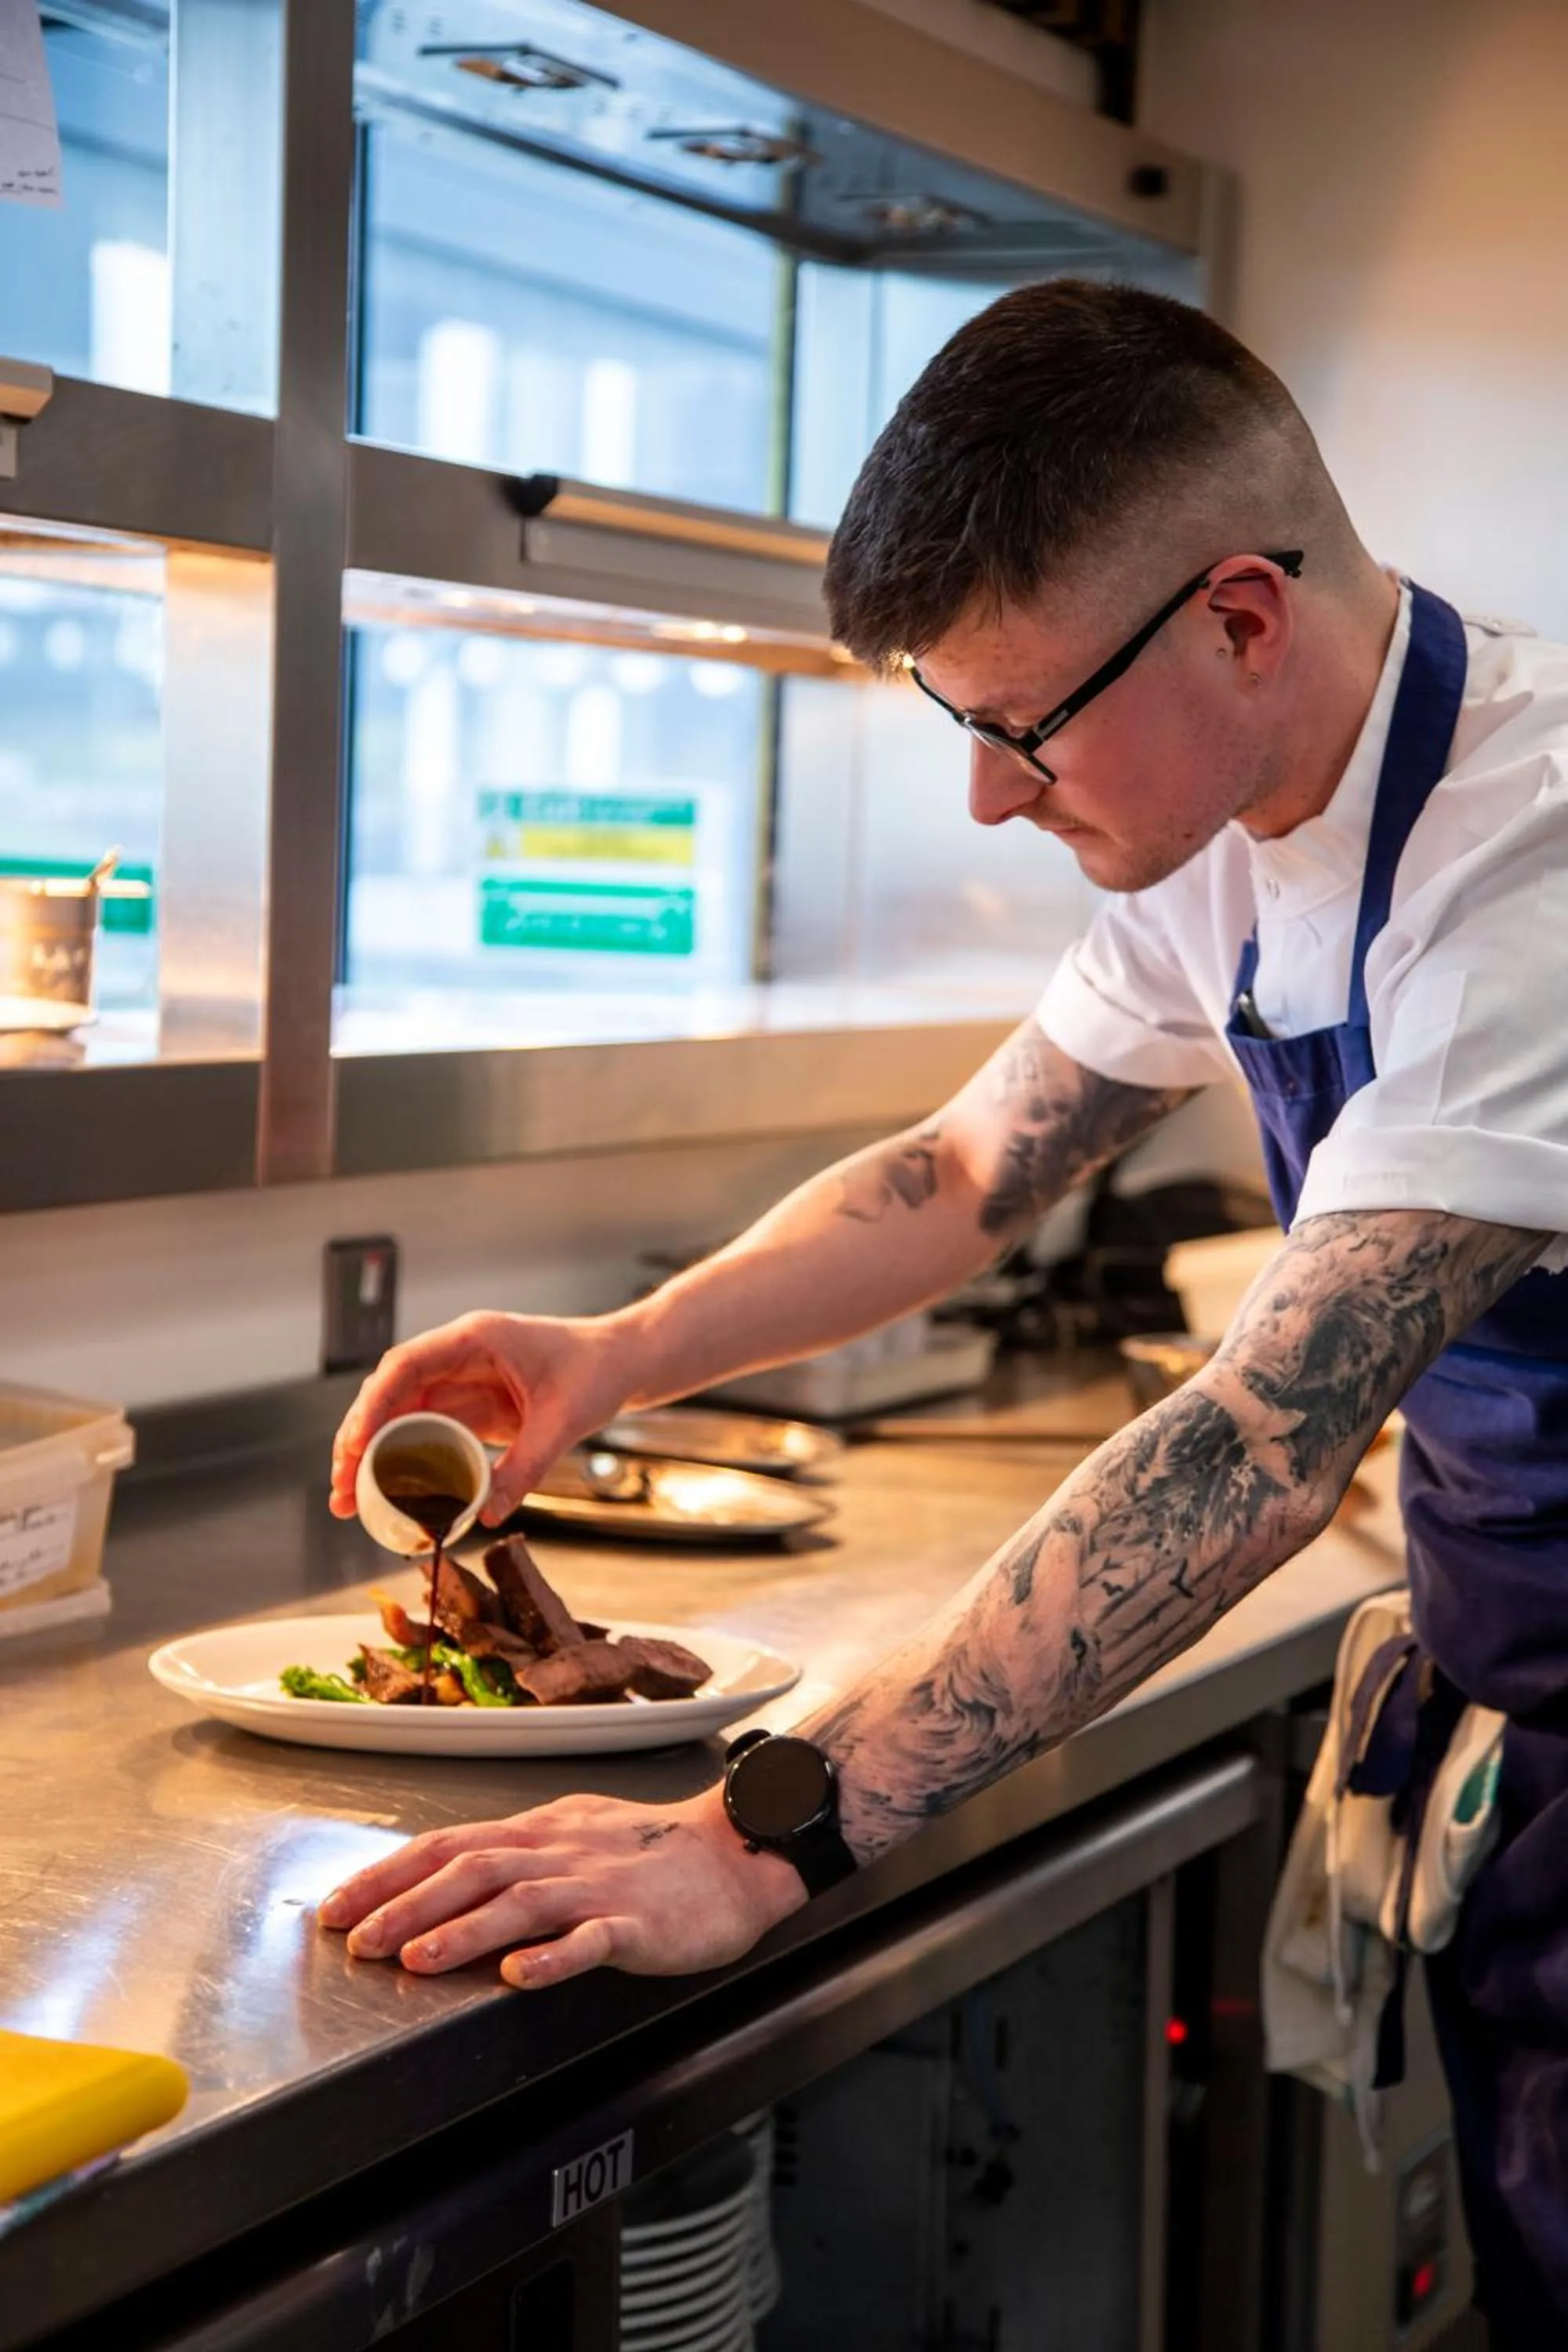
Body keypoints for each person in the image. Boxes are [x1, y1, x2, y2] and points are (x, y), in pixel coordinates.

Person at [320, 282, 1568, 2341]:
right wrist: (614, 1360)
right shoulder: (1222, 824)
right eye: (957, 723)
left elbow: (1256, 1446)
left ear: (1240, 619)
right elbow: (970, 1169)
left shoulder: (1525, 878)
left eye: (1022, 728)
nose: (991, 799)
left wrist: (766, 1834)